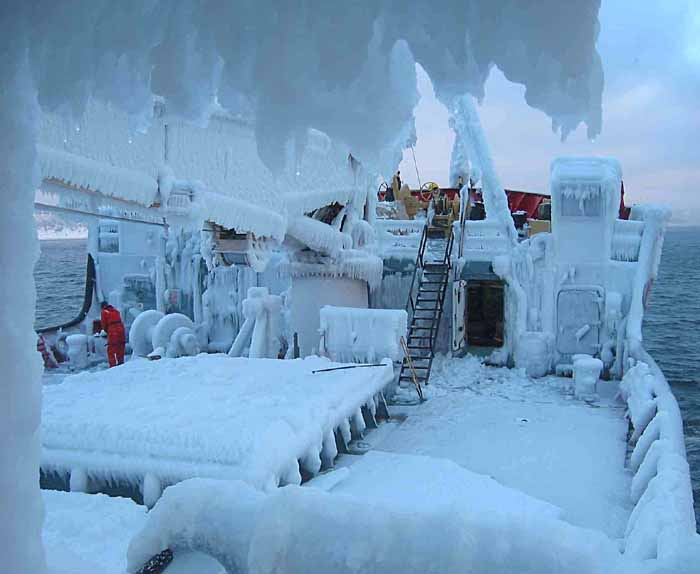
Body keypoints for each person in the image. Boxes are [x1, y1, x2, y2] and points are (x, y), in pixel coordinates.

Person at [100, 301, 126, 367]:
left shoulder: (104, 312)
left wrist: (107, 332)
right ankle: (121, 362)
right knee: (120, 346)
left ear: (103, 307)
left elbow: (104, 325)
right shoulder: (116, 311)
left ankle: (113, 366)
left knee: (111, 349)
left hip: (113, 329)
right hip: (121, 328)